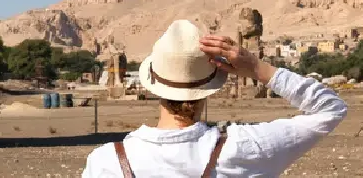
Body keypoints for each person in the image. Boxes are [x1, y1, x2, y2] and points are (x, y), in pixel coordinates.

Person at [82, 20, 348, 177]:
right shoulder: (245, 147)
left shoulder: (105, 162)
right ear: (212, 85)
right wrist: (258, 69)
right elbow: (330, 109)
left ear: (152, 85)